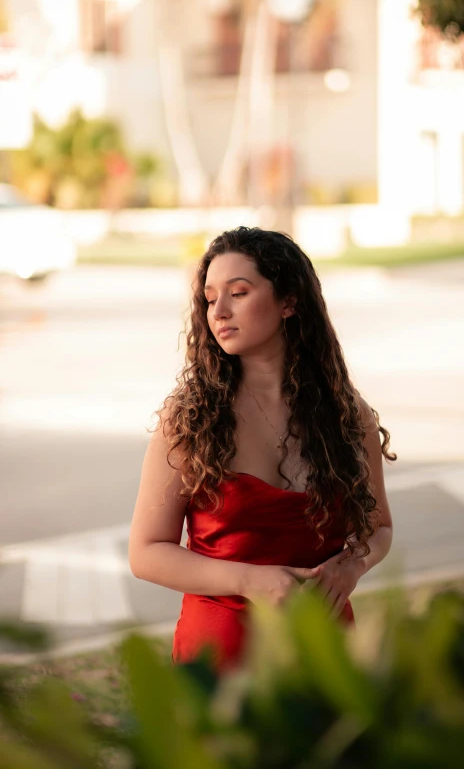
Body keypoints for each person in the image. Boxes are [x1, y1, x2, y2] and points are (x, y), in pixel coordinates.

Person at [129, 226, 396, 673]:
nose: (220, 311)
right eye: (210, 298)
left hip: (324, 652)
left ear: (289, 302)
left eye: (239, 292)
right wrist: (248, 579)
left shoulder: (345, 414)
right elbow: (146, 552)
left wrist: (351, 568)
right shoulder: (190, 420)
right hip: (219, 661)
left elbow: (379, 528)